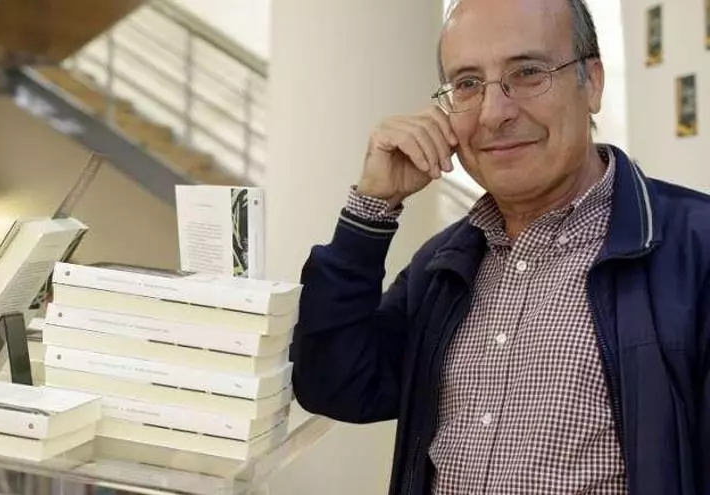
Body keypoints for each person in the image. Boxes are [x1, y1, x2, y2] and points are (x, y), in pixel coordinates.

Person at [290, 1, 708, 494]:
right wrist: (372, 209)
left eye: (528, 72)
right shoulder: (445, 264)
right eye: (468, 83)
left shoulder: (695, 249)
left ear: (592, 83)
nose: (493, 114)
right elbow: (336, 385)